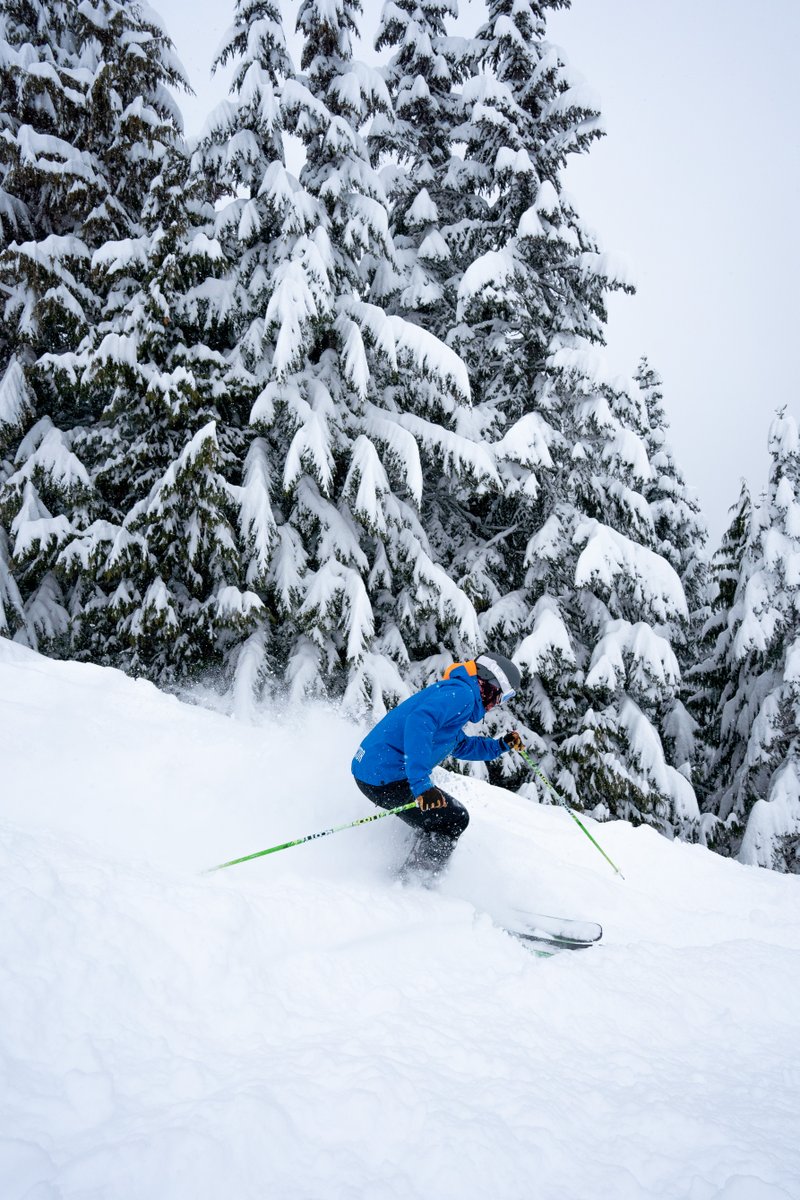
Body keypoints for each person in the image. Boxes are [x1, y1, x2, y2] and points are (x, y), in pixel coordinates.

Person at [351, 652, 524, 876]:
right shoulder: (462, 694)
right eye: (502, 696)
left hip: (375, 771)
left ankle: (411, 869)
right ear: (490, 683)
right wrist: (422, 785)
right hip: (383, 775)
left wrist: (501, 745)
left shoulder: (457, 694)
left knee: (442, 817)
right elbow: (419, 721)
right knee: (454, 819)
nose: (497, 704)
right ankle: (415, 884)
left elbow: (460, 745)